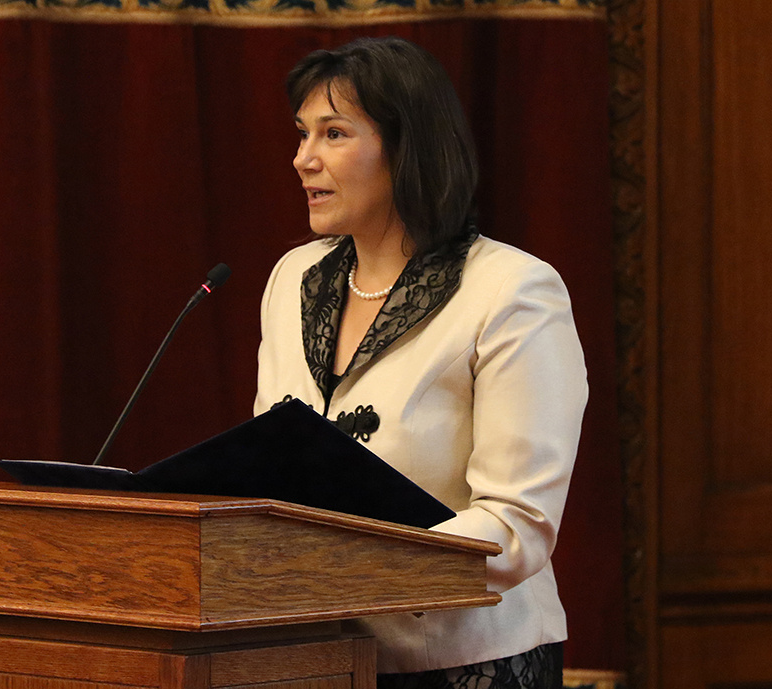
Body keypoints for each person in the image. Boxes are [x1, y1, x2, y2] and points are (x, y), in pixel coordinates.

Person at [253, 37, 588, 689]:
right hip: (314, 658)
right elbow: (269, 472)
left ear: (407, 147)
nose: (303, 158)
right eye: (302, 133)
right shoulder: (292, 277)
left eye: (334, 133)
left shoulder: (512, 290)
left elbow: (517, 525)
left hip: (463, 662)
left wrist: (342, 569)